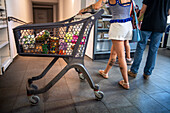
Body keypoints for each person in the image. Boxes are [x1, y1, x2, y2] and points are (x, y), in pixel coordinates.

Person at [79, 0, 133, 89]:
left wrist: (84, 10)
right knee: (114, 53)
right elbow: (129, 10)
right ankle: (105, 72)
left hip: (117, 26)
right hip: (127, 25)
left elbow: (96, 6)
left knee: (121, 56)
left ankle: (126, 82)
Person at [128, 0, 170, 79]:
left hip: (147, 24)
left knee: (140, 47)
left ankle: (134, 71)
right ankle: (147, 73)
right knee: (154, 50)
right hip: (160, 25)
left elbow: (143, 10)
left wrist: (138, 20)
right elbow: (168, 12)